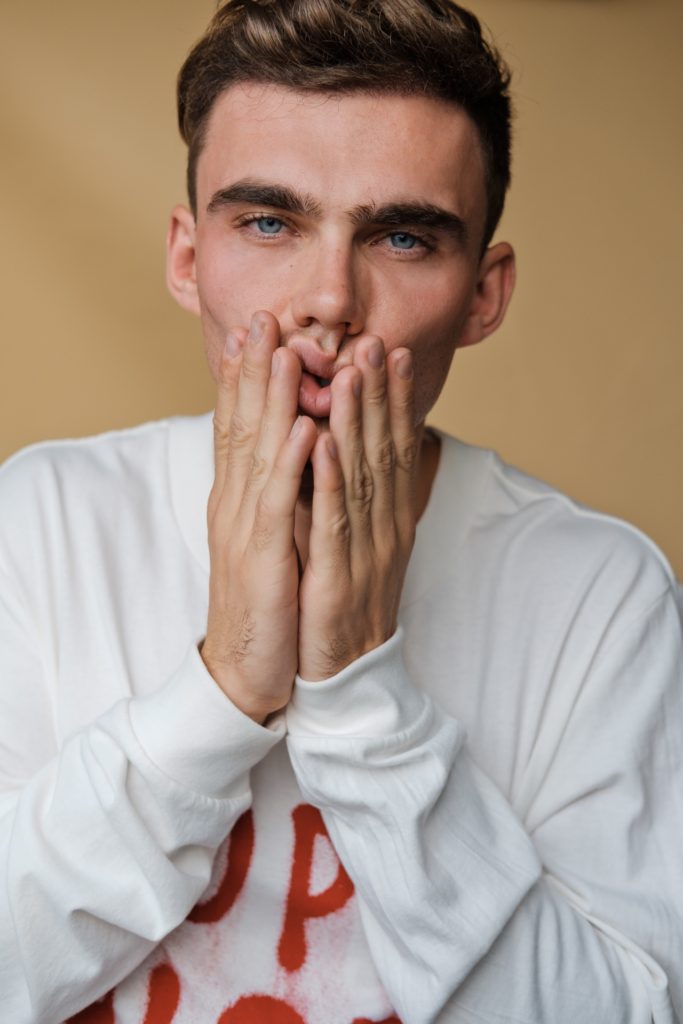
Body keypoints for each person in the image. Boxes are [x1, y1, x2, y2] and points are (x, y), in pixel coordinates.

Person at [1, 0, 681, 1021]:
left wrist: (364, 699)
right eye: (267, 223)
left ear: (483, 294)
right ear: (187, 259)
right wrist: (224, 685)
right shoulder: (43, 523)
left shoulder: (601, 595)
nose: (330, 299)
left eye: (402, 237)